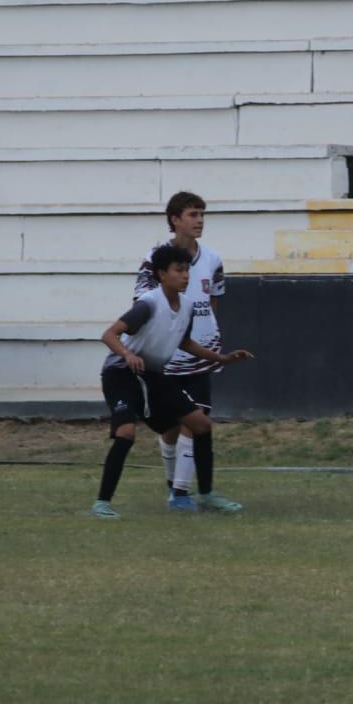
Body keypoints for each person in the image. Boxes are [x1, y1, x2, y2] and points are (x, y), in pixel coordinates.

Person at [91, 244, 253, 518]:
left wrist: (221, 358)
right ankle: (102, 503)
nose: (186, 275)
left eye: (187, 270)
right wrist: (128, 355)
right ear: (162, 274)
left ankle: (206, 495)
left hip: (153, 374)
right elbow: (109, 334)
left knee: (201, 424)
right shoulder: (148, 304)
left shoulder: (187, 306)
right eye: (179, 270)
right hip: (121, 374)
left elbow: (185, 342)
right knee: (126, 433)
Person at [134, 190, 227, 502]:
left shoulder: (212, 259)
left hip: (200, 354)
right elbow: (144, 304)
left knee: (196, 419)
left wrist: (207, 335)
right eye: (193, 215)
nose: (200, 221)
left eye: (202, 214)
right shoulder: (155, 259)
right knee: (172, 428)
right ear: (175, 220)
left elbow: (213, 299)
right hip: (168, 356)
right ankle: (175, 486)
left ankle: (182, 494)